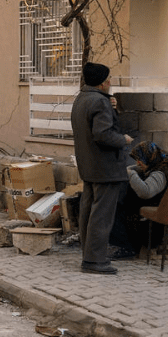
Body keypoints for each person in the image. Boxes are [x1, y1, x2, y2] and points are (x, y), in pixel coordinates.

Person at [71, 62, 133, 275]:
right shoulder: (100, 102)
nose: (110, 82)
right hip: (105, 167)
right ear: (102, 82)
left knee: (88, 212)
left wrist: (110, 105)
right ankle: (95, 261)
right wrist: (122, 139)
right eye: (108, 79)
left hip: (88, 166)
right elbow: (103, 134)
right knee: (102, 216)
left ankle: (88, 255)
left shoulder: (82, 99)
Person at [108, 142, 168, 259]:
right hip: (164, 222)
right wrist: (134, 169)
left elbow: (145, 192)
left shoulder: (160, 173)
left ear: (149, 157)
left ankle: (126, 247)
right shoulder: (167, 166)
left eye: (139, 159)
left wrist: (131, 174)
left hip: (156, 228)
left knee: (118, 205)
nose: (138, 163)